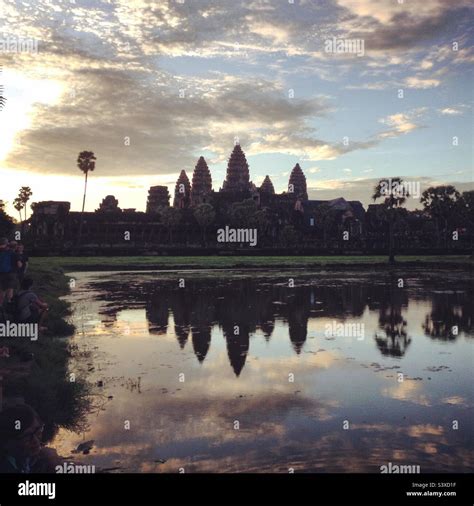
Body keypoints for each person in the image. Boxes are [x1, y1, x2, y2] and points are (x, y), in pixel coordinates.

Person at [0, 404, 62, 473]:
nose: (35, 441)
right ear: (9, 442)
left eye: (38, 431)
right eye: (27, 436)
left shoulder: (26, 460)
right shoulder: (6, 467)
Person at [0, 237, 20, 307]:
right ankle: (9, 303)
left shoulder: (2, 252)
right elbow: (19, 265)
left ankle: (0, 304)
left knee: (2, 290)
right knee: (10, 289)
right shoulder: (13, 253)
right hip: (11, 273)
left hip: (2, 273)